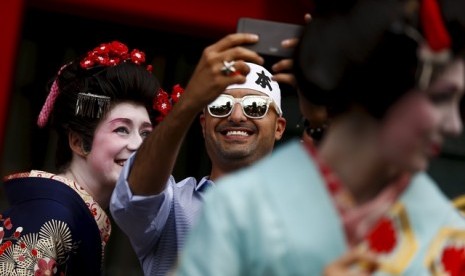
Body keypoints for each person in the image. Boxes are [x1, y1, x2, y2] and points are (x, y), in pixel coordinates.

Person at [174, 0, 465, 275]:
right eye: (441, 98)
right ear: (383, 83)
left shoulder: (446, 230)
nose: (454, 125)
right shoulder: (240, 209)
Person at [109, 33, 287, 275]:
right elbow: (135, 196)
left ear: (278, 127)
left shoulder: (303, 213)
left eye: (255, 107)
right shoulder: (171, 208)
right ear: (203, 123)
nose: (236, 116)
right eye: (220, 105)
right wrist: (189, 102)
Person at [0, 40, 170, 275]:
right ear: (79, 142)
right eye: (122, 129)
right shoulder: (51, 216)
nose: (138, 145)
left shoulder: (66, 213)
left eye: (146, 134)